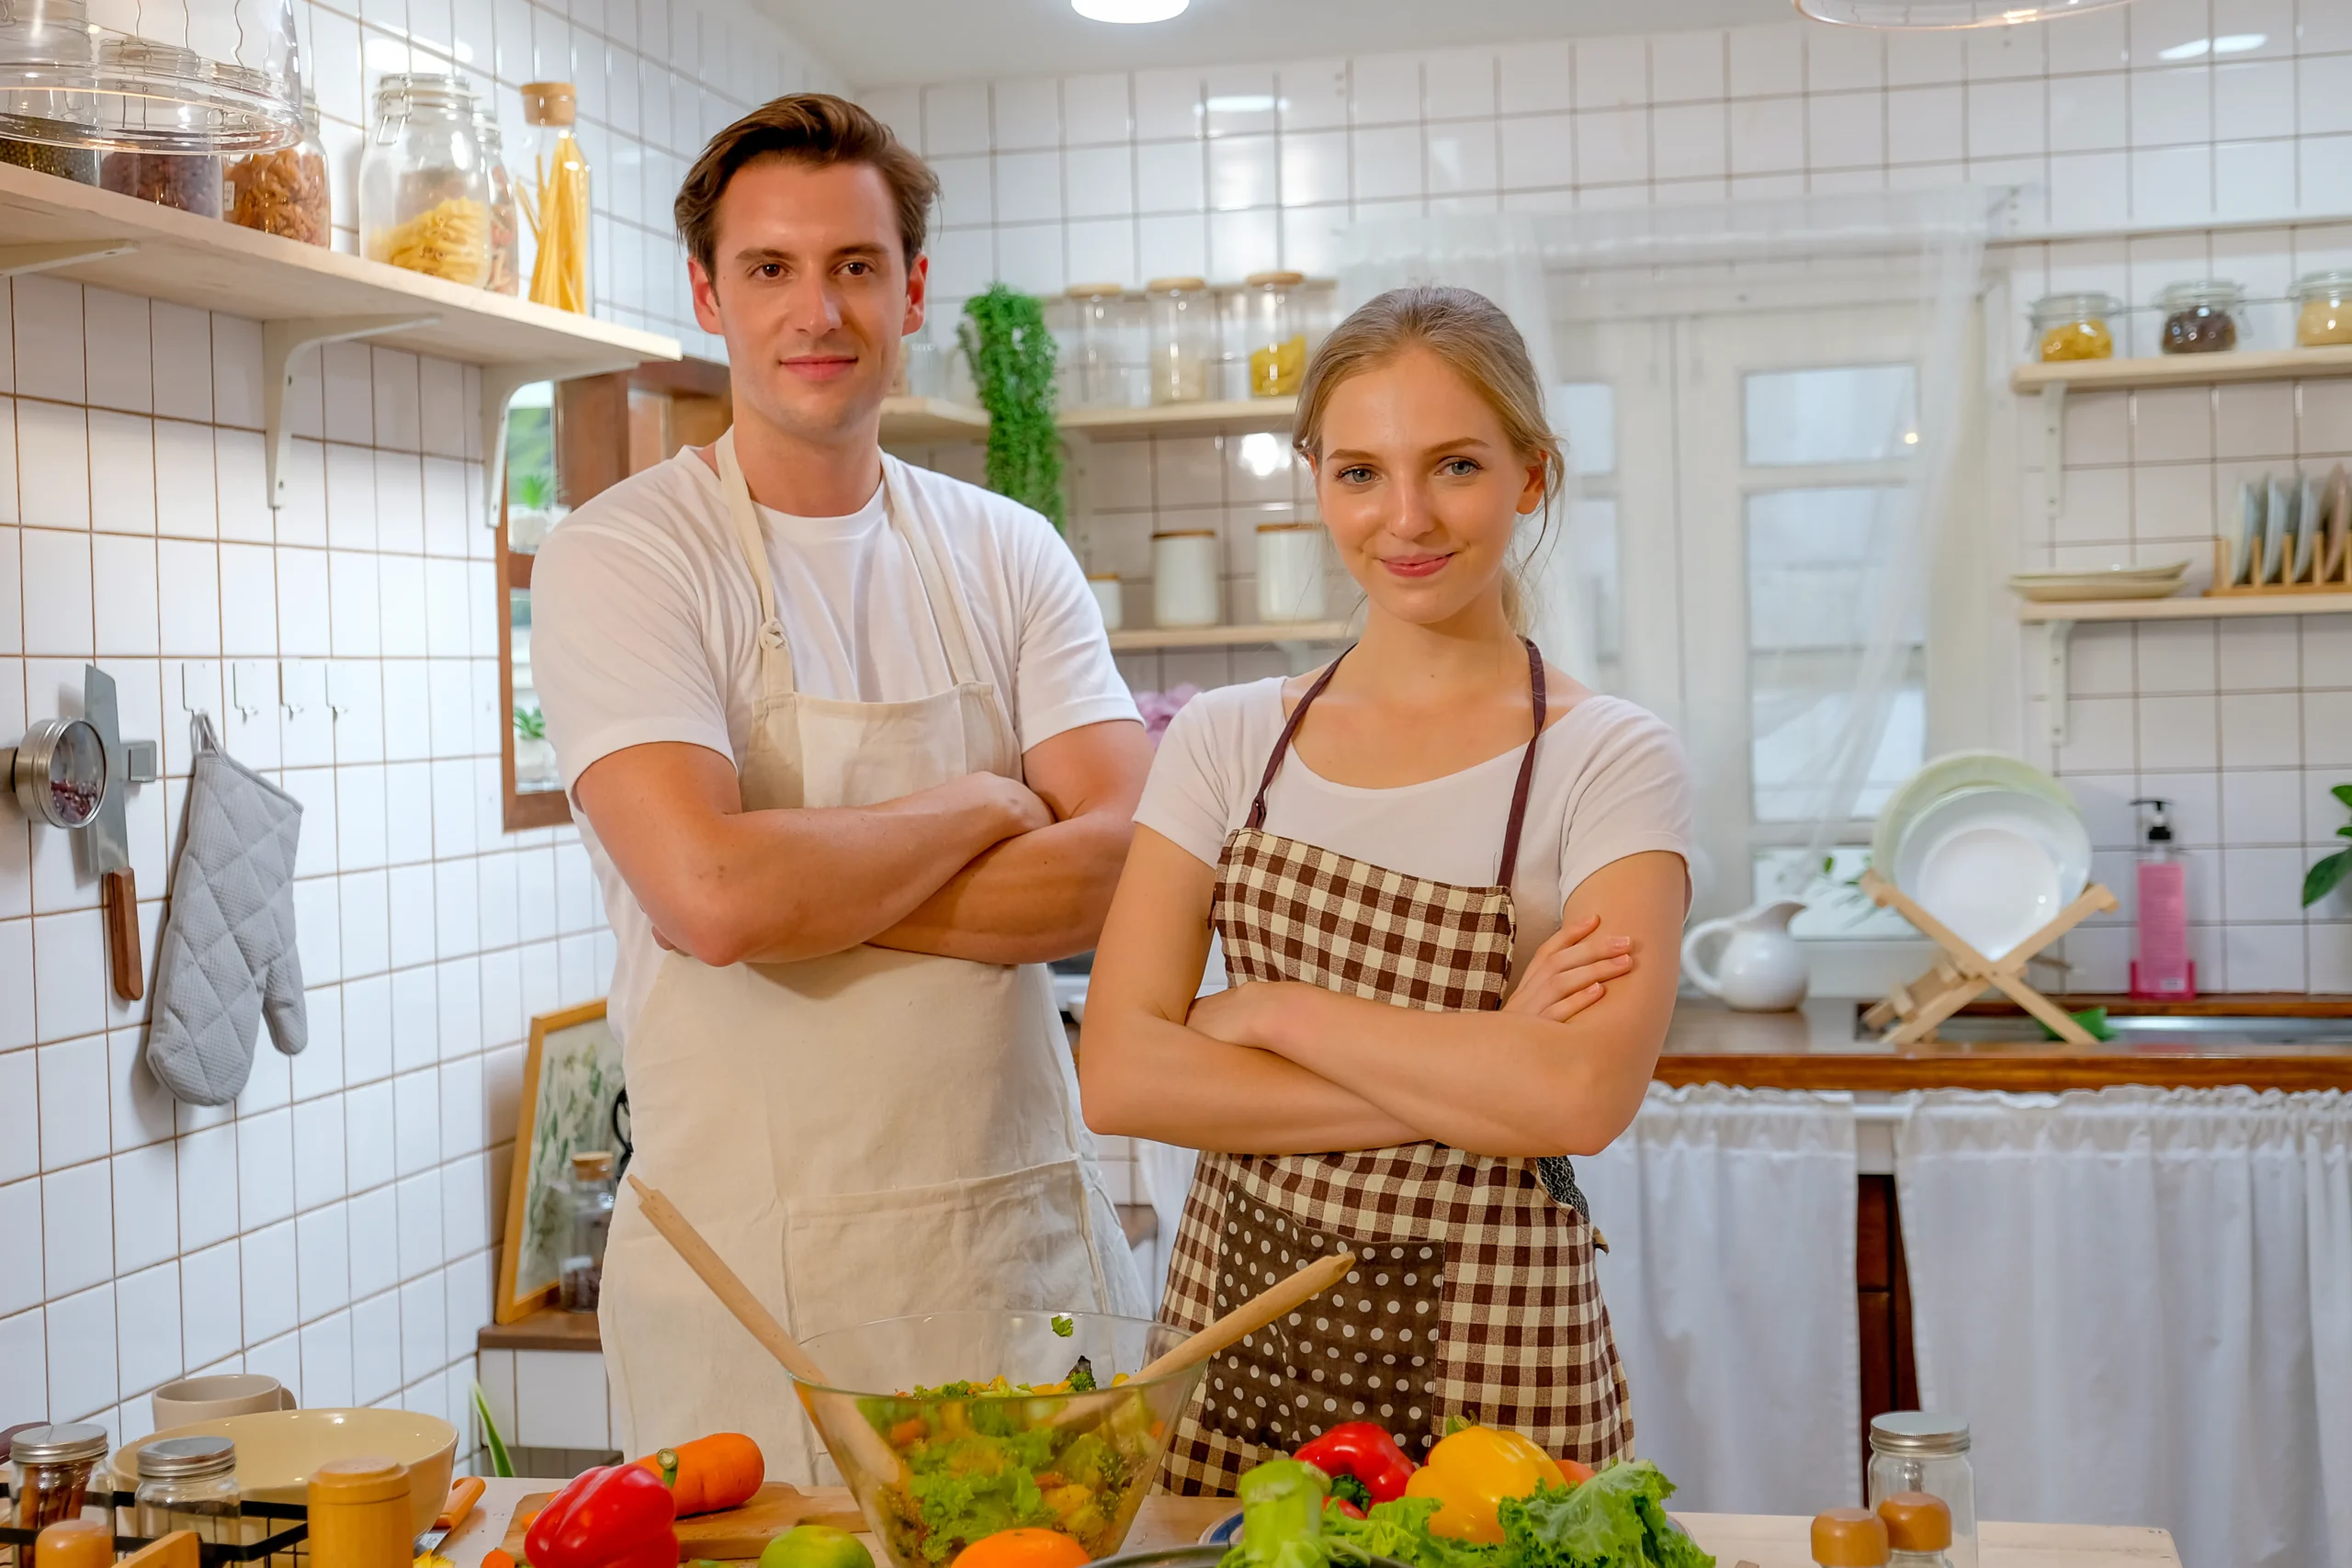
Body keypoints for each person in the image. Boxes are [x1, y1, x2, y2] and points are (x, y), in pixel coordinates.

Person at [530, 94, 1149, 1476]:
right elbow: (710, 896)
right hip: (754, 1297)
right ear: (708, 291)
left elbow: (1129, 856)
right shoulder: (623, 556)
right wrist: (991, 806)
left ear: (912, 288)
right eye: (771, 269)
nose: (818, 311)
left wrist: (804, 886)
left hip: (1015, 1267)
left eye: (856, 267)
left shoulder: (1010, 550)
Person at [1078, 286, 1693, 1493]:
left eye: (1454, 465)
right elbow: (1120, 1073)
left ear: (1531, 474)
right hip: (1232, 1365)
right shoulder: (1222, 738)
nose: (1405, 518)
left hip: (1503, 1387)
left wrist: (1272, 1015)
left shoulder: (1609, 756)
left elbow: (1575, 1097)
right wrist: (1480, 1070)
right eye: (1360, 471)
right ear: (1315, 479)